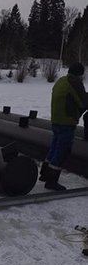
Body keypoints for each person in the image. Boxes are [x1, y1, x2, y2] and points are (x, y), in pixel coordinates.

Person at [40, 62, 88, 190]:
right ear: (79, 73)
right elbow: (83, 102)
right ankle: (51, 181)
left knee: (55, 146)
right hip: (66, 121)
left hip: (56, 120)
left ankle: (44, 173)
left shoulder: (62, 80)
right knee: (62, 151)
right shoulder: (75, 83)